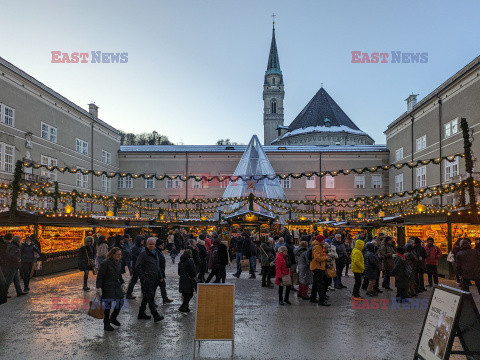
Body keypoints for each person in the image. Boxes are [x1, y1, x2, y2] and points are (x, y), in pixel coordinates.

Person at [96, 247, 126, 331]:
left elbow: (119, 274)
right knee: (107, 306)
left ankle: (113, 318)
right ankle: (106, 324)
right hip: (107, 286)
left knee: (121, 301)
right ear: (112, 254)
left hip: (116, 285)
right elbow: (100, 276)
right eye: (117, 254)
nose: (119, 256)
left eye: (120, 255)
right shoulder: (105, 263)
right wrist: (98, 288)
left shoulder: (118, 262)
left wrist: (122, 282)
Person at [135, 238, 164, 322]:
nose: (152, 246)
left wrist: (160, 276)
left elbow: (157, 265)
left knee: (146, 296)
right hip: (147, 280)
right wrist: (143, 278)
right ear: (146, 245)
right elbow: (138, 267)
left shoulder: (155, 252)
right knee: (150, 297)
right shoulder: (143, 254)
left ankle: (141, 313)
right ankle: (155, 315)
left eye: (153, 244)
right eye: (150, 244)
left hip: (155, 279)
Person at [309, 235, 330, 306]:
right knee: (320, 284)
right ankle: (321, 300)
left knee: (315, 283)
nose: (324, 241)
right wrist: (325, 258)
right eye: (323, 240)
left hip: (318, 266)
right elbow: (317, 258)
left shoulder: (319, 246)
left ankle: (313, 297)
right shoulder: (317, 247)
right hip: (318, 267)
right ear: (320, 240)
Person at [178, 249, 197, 314]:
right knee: (190, 294)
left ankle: (186, 308)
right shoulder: (190, 261)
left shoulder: (180, 262)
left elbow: (179, 273)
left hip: (182, 280)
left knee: (185, 294)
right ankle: (182, 308)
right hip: (188, 280)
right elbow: (194, 272)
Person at [155, 239, 173, 304]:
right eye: (162, 244)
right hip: (157, 274)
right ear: (159, 245)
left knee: (162, 286)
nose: (163, 245)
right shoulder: (156, 252)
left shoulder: (159, 251)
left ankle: (165, 299)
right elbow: (157, 265)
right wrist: (160, 276)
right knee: (155, 288)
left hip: (161, 272)